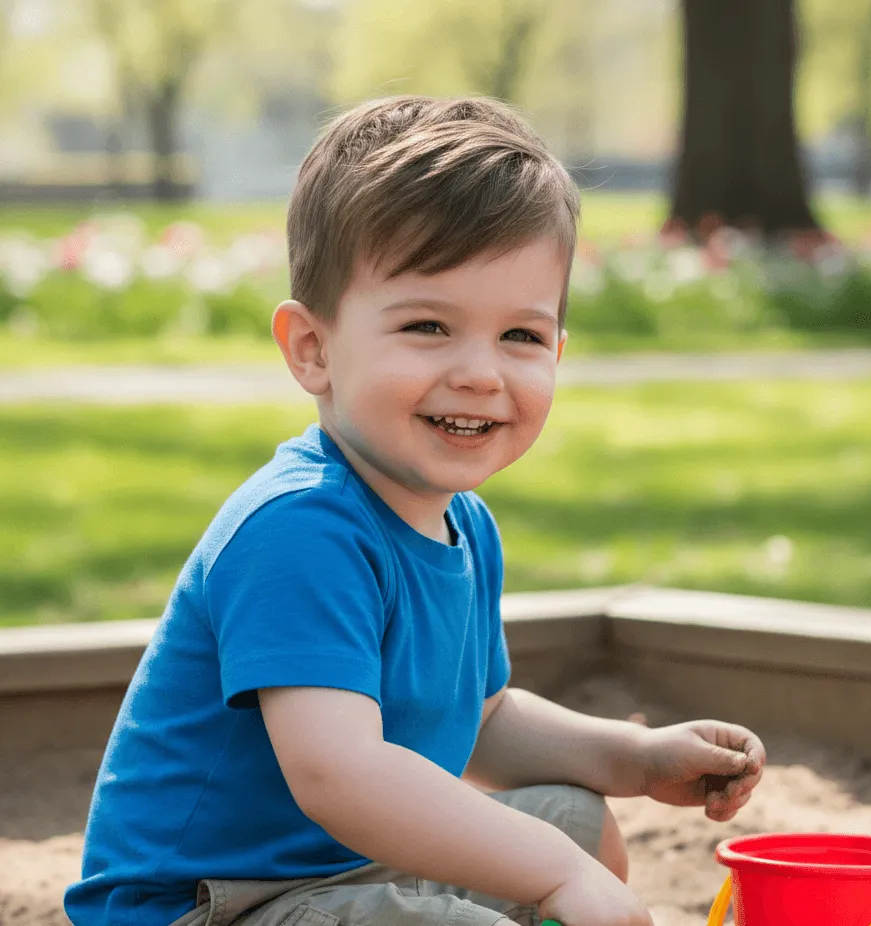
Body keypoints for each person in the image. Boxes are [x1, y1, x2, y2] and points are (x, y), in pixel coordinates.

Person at [64, 96, 766, 926]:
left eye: (521, 337)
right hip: (209, 904)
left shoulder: (463, 524)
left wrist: (635, 757)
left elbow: (480, 720)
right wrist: (553, 878)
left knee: (576, 825)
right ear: (312, 350)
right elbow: (341, 774)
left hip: (345, 868)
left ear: (559, 351)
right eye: (429, 325)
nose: (480, 373)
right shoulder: (299, 530)